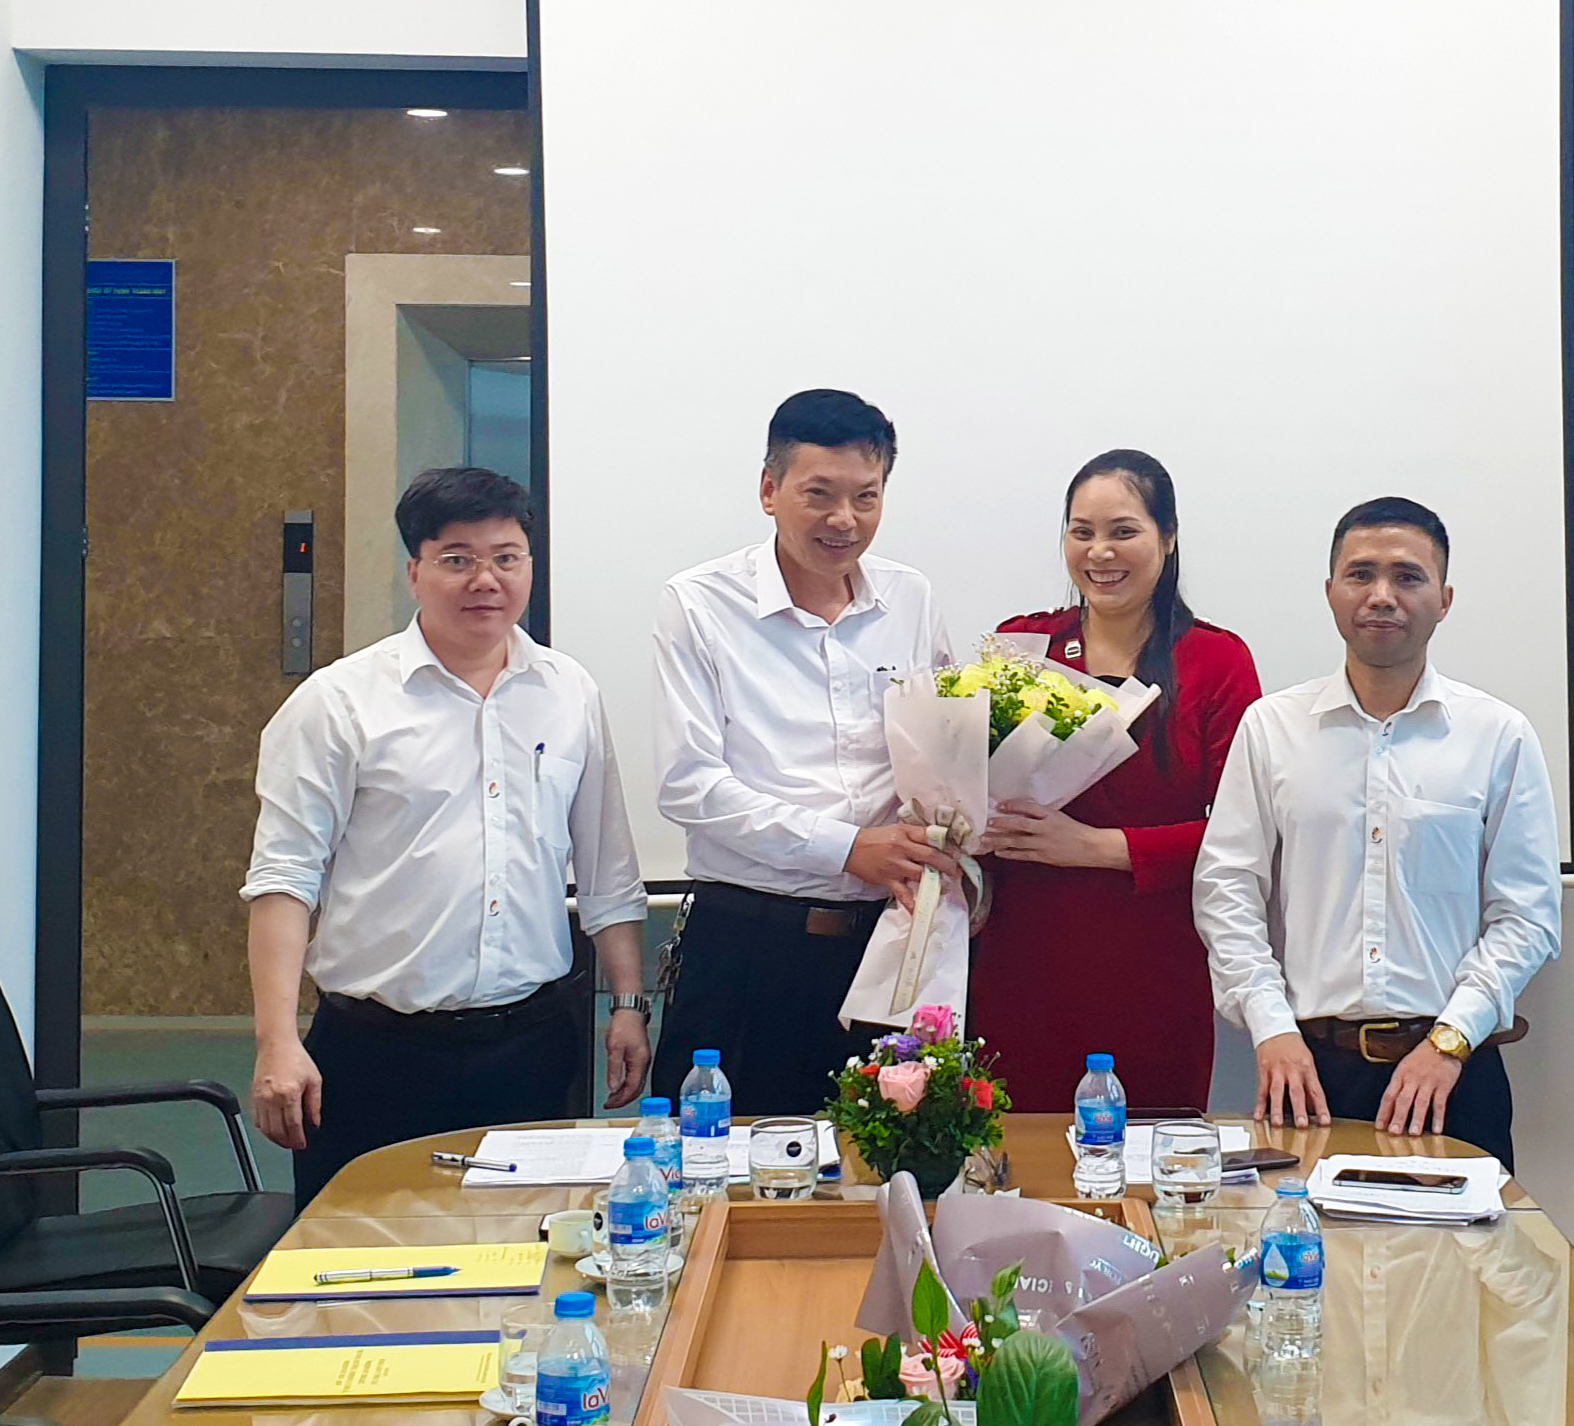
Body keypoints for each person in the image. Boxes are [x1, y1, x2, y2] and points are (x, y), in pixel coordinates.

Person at [242, 466, 651, 1208]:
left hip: (532, 1046)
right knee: (364, 1263)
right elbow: (284, 880)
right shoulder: (339, 703)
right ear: (415, 572)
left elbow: (608, 873)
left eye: (506, 557)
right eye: (457, 559)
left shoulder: (569, 693)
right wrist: (277, 1040)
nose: (485, 580)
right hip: (376, 1051)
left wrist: (628, 1003)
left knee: (531, 1255)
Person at [1194, 497, 1560, 1170]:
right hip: (1304, 1074)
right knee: (1304, 1242)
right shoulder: (1271, 729)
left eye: (1408, 576)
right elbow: (1227, 892)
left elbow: (1528, 915)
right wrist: (1271, 1029)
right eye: (1361, 574)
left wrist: (1450, 1040)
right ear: (1330, 590)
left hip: (1452, 1073)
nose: (1382, 595)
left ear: (1444, 600)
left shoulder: (1497, 735)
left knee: (1467, 1244)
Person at [649, 389, 956, 1114]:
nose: (844, 519)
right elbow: (690, 784)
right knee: (729, 1163)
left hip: (887, 946)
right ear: (769, 489)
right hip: (751, 946)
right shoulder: (699, 603)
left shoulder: (910, 598)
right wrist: (848, 848)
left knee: (890, 1160)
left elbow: (946, 743)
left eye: (866, 497)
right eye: (819, 494)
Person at [970, 450, 1261, 1112]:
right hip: (1023, 960)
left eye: (1123, 531)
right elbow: (965, 781)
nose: (1100, 552)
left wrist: (1099, 847)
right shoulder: (1024, 646)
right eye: (1082, 532)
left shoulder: (1215, 660)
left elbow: (1244, 834)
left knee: (1147, 1154)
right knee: (1018, 1157)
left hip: (1152, 963)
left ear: (1168, 536)